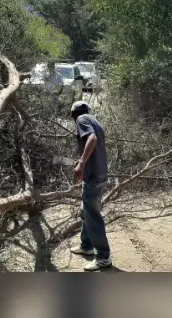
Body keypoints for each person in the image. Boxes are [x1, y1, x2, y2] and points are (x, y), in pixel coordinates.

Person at [68, 100, 112, 270]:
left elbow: (91, 139)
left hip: (94, 176)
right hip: (98, 174)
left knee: (92, 215)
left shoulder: (82, 119)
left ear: (74, 113)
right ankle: (86, 246)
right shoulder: (94, 120)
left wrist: (81, 162)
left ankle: (103, 256)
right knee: (85, 211)